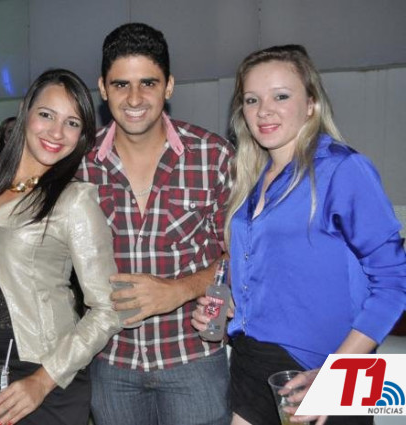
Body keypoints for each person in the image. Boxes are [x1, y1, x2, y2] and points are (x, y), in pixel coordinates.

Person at [192, 44, 406, 425]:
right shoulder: (251, 181)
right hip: (252, 360)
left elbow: (394, 281)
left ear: (311, 104)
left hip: (330, 368)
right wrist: (235, 306)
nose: (264, 110)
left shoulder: (342, 169)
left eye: (281, 96)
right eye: (252, 99)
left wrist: (336, 377)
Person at [77, 23, 234, 425]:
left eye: (148, 83)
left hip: (193, 358)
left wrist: (179, 290)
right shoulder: (79, 165)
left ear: (169, 86)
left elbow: (242, 258)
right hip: (109, 361)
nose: (134, 99)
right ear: (103, 88)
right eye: (121, 84)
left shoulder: (212, 156)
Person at [0, 69, 122, 425]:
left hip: (42, 373)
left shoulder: (73, 200)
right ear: (25, 111)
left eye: (72, 123)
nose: (56, 132)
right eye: (47, 114)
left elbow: (108, 308)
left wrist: (43, 380)